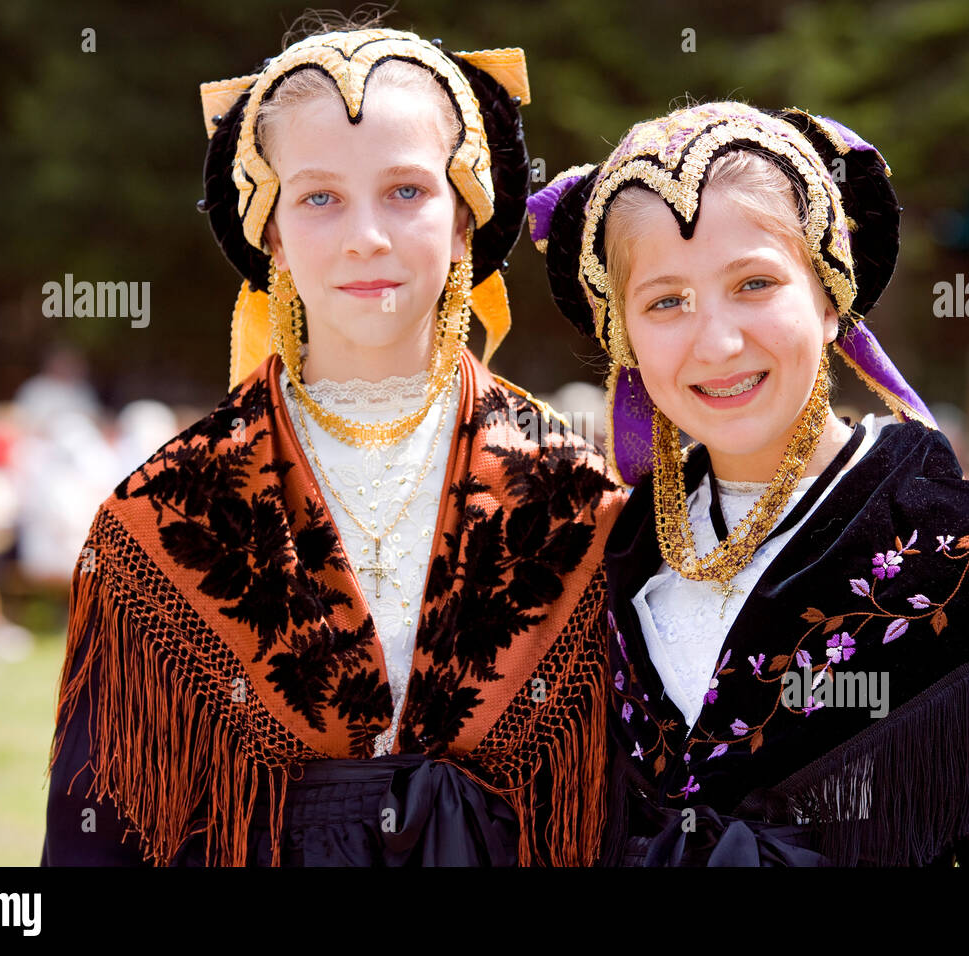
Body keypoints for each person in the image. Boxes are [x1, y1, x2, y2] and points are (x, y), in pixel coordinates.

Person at [42, 19, 623, 867]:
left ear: (467, 213)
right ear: (268, 228)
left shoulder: (577, 498)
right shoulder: (159, 517)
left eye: (406, 191)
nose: (367, 237)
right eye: (319, 197)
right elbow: (98, 842)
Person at [527, 101, 969, 866]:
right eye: (667, 301)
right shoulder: (607, 564)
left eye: (755, 284)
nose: (718, 341)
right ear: (622, 334)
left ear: (830, 296)